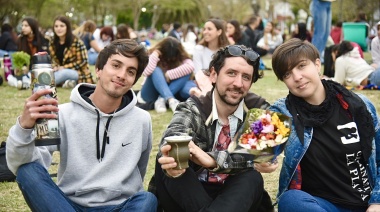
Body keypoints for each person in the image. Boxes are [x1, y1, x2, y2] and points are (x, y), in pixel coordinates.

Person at [6, 39, 157, 211]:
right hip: (68, 206)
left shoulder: (142, 120)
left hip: (118, 207)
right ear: (98, 70)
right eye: (116, 65)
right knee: (28, 172)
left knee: (146, 200)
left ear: (133, 80)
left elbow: (139, 171)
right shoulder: (62, 114)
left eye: (130, 71)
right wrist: (23, 127)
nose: (122, 75)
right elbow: (21, 164)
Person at [148, 44, 277, 212]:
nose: (238, 83)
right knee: (170, 161)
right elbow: (173, 138)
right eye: (231, 73)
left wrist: (212, 160)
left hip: (233, 194)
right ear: (214, 75)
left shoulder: (259, 110)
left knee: (252, 177)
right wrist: (175, 154)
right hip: (190, 191)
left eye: (246, 77)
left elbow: (262, 155)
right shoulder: (193, 108)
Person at [270, 38, 380, 211]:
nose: (297, 77)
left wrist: (377, 202)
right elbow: (249, 151)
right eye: (287, 74)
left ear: (317, 64)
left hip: (366, 204)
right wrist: (259, 161)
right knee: (290, 200)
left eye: (301, 66)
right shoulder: (283, 111)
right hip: (321, 205)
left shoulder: (360, 106)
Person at [138, 37, 194, 113]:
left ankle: (162, 99)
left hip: (170, 90)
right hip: (150, 93)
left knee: (187, 71)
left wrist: (169, 74)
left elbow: (190, 67)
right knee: (155, 70)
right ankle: (170, 99)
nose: (169, 60)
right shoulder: (153, 55)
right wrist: (155, 54)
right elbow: (146, 72)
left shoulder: (181, 57)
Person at [49, 15, 94, 88]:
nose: (58, 29)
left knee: (64, 73)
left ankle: (45, 84)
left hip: (78, 72)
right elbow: (52, 60)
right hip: (59, 71)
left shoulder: (77, 42)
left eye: (62, 26)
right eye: (56, 26)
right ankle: (68, 83)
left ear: (67, 27)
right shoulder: (52, 43)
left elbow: (83, 61)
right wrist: (55, 67)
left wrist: (64, 67)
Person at [190, 19, 230, 96]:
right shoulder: (198, 49)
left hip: (222, 83)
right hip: (201, 83)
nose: (205, 32)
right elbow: (198, 73)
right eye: (204, 29)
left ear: (219, 32)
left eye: (209, 29)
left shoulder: (226, 51)